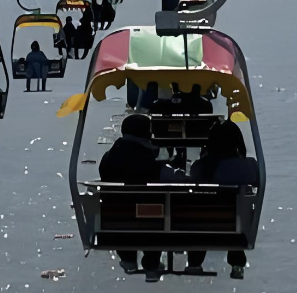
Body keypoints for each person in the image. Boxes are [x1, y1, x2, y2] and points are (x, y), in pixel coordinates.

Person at [98, 114, 173, 282]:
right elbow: (165, 175)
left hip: (116, 216)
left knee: (123, 212)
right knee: (156, 212)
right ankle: (151, 262)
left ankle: (128, 257)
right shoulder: (148, 159)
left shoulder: (109, 157)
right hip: (149, 214)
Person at [186, 121, 260, 279]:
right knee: (240, 207)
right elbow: (257, 182)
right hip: (235, 226)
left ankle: (194, 262)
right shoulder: (248, 167)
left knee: (201, 212)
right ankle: (237, 262)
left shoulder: (202, 167)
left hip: (204, 226)